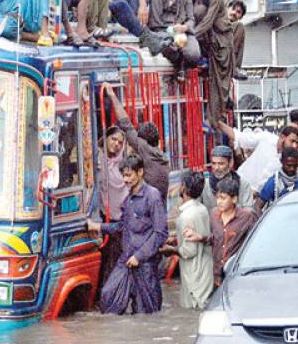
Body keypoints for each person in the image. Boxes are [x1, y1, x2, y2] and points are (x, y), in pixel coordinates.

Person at [87, 154, 167, 314]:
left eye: (129, 175)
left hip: (145, 264)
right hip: (126, 259)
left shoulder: (152, 196)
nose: (126, 179)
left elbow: (160, 233)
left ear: (140, 172)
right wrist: (98, 227)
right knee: (108, 295)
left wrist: (139, 256)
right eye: (124, 175)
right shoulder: (129, 198)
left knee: (146, 310)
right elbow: (122, 226)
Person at [102, 83, 169, 202]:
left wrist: (112, 95)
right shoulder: (161, 158)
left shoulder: (145, 149)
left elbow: (126, 124)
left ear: (142, 140)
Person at [188, 0, 234, 126]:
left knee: (219, 85)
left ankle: (212, 120)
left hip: (220, 43)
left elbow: (207, 21)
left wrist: (188, 36)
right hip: (203, 44)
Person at [162, 171, 213, 309]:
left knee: (194, 312)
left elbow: (189, 251)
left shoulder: (186, 216)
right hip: (205, 272)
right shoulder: (202, 209)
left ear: (184, 188)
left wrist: (171, 250)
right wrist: (176, 239)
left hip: (194, 276)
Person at [144, 0, 200, 78]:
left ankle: (183, 62)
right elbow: (141, 6)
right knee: (163, 44)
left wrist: (184, 27)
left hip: (179, 31)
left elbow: (191, 19)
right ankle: (179, 63)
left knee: (194, 53)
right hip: (158, 30)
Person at [207, 177, 257, 286]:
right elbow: (215, 239)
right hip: (217, 274)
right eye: (217, 198)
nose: (219, 202)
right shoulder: (214, 215)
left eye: (223, 198)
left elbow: (254, 243)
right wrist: (200, 237)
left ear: (234, 199)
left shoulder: (246, 217)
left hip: (235, 273)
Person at [96, 126, 129, 290]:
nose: (116, 144)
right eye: (113, 139)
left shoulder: (124, 164)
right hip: (101, 216)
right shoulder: (97, 158)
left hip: (120, 220)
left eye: (120, 142)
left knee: (114, 261)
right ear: (106, 138)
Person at [200, 144, 242, 211]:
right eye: (214, 163)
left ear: (230, 163)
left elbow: (247, 212)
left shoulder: (243, 184)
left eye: (221, 164)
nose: (216, 168)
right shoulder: (204, 185)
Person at [227, 0, 247, 73]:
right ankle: (234, 66)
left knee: (240, 27)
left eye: (238, 12)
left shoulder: (236, 27)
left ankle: (234, 66)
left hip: (225, 54)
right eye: (233, 9)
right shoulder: (217, 18)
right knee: (240, 26)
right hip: (214, 50)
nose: (234, 13)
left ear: (241, 17)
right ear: (227, 8)